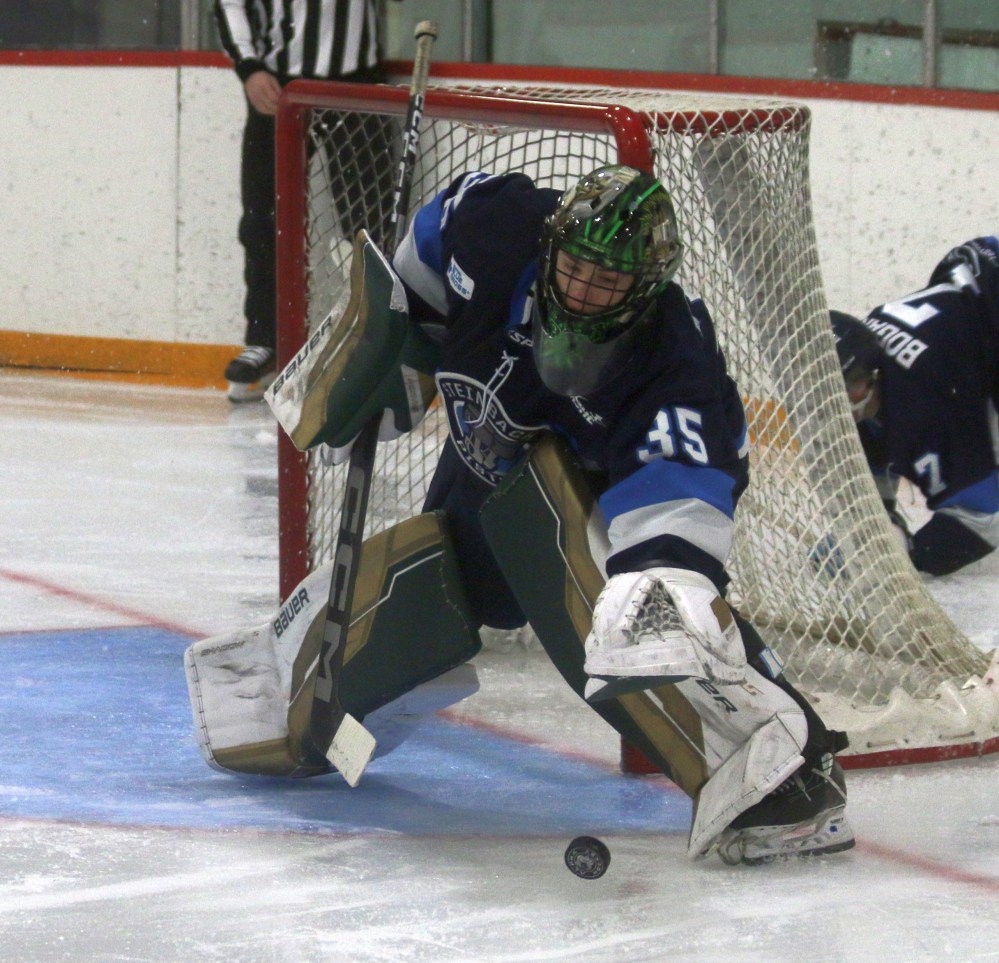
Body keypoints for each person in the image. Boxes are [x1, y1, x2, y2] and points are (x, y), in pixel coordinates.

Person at [387, 165, 854, 863]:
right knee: (449, 585)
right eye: (574, 268)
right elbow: (425, 253)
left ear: (647, 285)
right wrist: (390, 342)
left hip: (630, 472)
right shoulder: (495, 228)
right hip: (506, 442)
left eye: (607, 281)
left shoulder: (671, 366)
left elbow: (676, 510)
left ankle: (794, 770)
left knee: (646, 616)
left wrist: (654, 577)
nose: (581, 291)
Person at [214, 0, 400, 401]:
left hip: (358, 80)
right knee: (264, 220)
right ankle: (266, 340)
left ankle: (378, 341)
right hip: (280, 84)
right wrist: (249, 66)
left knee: (370, 223)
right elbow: (230, 5)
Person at [831, 235, 999, 576]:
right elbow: (874, 438)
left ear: (873, 376)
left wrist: (910, 557)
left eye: (848, 388)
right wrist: (878, 520)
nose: (837, 399)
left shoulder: (920, 406)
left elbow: (985, 517)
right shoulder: (866, 345)